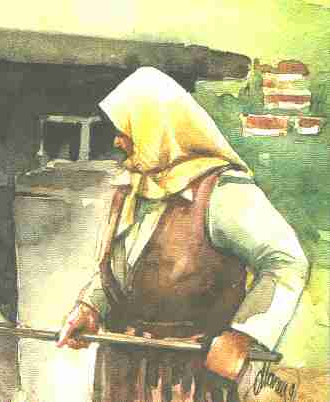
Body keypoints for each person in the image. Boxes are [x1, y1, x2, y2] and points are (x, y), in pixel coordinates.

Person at [56, 67, 309, 402]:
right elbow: (119, 268)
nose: (118, 141)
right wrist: (90, 306)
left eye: (126, 130)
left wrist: (243, 335)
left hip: (191, 376)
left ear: (157, 128)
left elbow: (286, 262)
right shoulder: (132, 187)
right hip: (122, 370)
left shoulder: (223, 192)